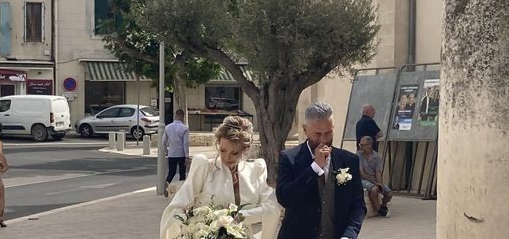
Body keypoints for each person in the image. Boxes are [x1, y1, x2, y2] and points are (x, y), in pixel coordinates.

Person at [160, 116, 281, 239]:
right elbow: (176, 208)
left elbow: (272, 208)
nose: (227, 157)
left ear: (245, 149)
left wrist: (237, 217)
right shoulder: (205, 168)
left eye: (234, 153)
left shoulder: (256, 170)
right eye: (223, 150)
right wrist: (192, 226)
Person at [276, 102, 365, 239]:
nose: (323, 139)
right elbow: (285, 198)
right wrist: (315, 167)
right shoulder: (289, 158)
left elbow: (358, 204)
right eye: (317, 134)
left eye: (328, 133)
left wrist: (349, 235)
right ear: (305, 130)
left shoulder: (349, 160)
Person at [357, 136, 392, 217]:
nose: (361, 147)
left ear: (369, 145)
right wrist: (375, 183)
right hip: (363, 179)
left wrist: (380, 183)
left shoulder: (377, 157)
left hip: (374, 179)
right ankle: (379, 209)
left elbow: (378, 172)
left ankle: (383, 205)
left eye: (363, 145)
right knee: (374, 189)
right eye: (360, 145)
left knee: (389, 193)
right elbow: (361, 172)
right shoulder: (358, 155)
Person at [162, 109, 189, 197]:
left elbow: (163, 142)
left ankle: (167, 184)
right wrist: (187, 156)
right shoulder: (184, 128)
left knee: (171, 172)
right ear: (182, 117)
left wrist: (166, 151)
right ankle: (181, 191)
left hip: (172, 153)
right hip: (181, 153)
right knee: (182, 173)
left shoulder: (168, 127)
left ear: (175, 116)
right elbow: (185, 143)